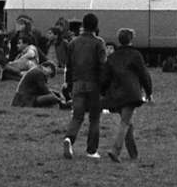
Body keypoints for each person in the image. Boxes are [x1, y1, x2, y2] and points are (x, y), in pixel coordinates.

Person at [102, 27, 153, 162]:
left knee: (128, 123)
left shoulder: (112, 57)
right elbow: (144, 74)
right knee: (125, 122)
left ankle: (134, 155)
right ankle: (115, 149)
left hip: (115, 94)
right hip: (130, 93)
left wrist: (104, 92)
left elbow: (105, 77)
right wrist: (149, 92)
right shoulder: (136, 55)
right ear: (131, 39)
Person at [63, 12, 108, 159]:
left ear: (83, 25)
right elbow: (102, 66)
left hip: (77, 83)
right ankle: (91, 150)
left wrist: (69, 84)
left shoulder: (73, 42)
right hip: (94, 84)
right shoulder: (99, 42)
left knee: (77, 116)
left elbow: (68, 66)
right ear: (96, 26)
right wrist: (104, 86)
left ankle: (70, 138)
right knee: (94, 118)